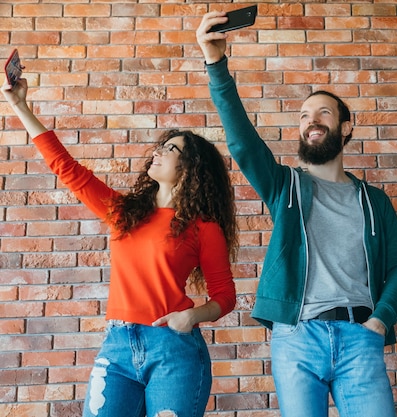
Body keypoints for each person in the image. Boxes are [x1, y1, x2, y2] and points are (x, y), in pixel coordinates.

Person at [195, 11, 397, 417]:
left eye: (324, 112)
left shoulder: (374, 200)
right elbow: (243, 145)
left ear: (346, 128)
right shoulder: (286, 187)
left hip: (360, 336)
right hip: (297, 337)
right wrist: (216, 65)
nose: (311, 120)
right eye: (304, 115)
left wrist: (380, 322)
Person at [2, 77, 238, 417]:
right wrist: (19, 105)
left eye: (170, 149)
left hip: (173, 350)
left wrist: (191, 316)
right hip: (117, 346)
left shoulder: (204, 227)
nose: (157, 152)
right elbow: (67, 169)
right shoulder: (124, 212)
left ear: (191, 169)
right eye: (160, 146)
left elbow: (224, 295)